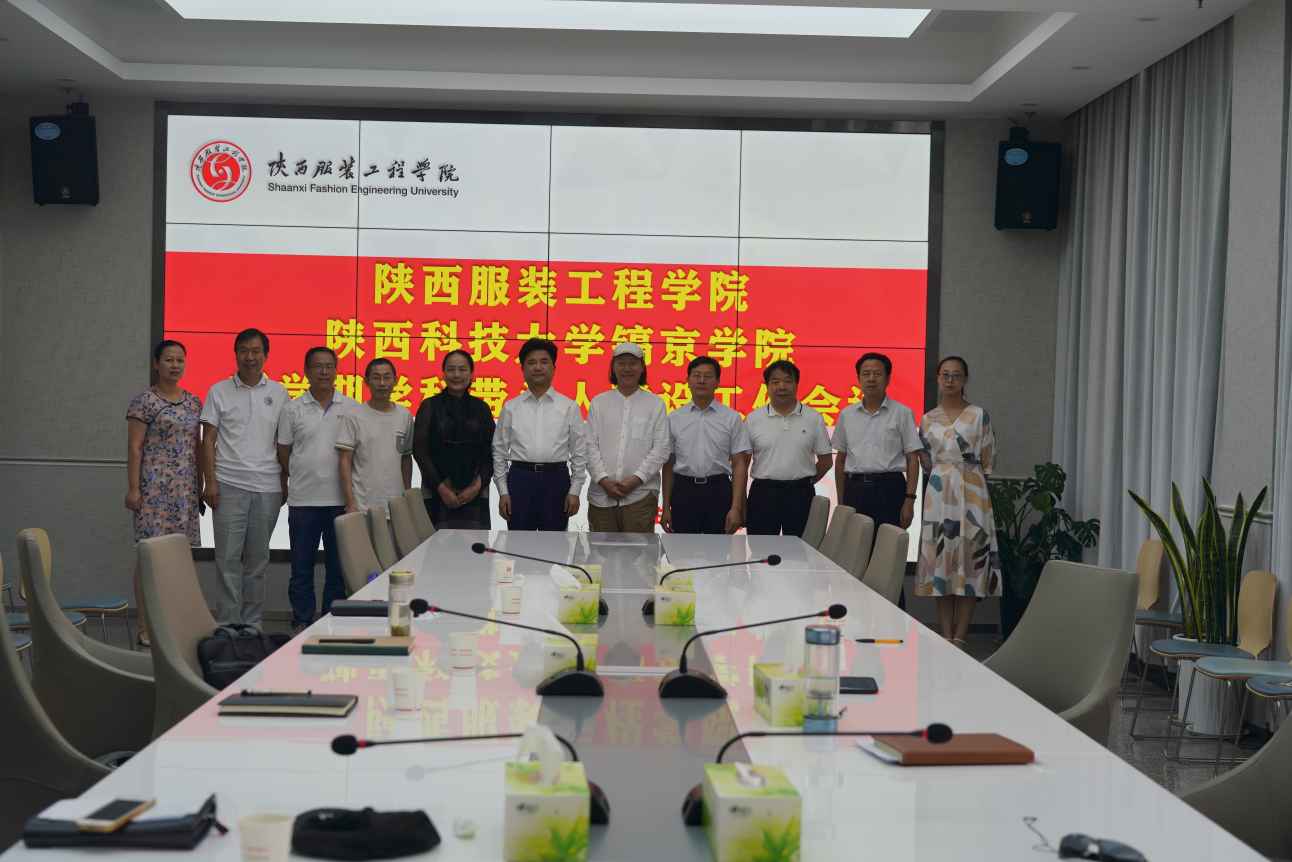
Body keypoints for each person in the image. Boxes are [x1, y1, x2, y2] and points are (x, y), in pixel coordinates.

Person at [200, 328, 288, 628]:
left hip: (268, 487)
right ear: (236, 354)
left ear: (266, 355)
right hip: (228, 485)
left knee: (257, 562)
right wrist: (209, 482)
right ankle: (228, 624)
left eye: (256, 351)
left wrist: (285, 482)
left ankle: (252, 625)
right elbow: (208, 440)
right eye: (244, 351)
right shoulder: (218, 391)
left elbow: (282, 443)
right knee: (227, 560)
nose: (250, 357)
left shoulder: (280, 393)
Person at [914, 356, 1002, 647]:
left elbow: (988, 458)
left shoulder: (979, 415)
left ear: (965, 379)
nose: (950, 380)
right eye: (945, 375)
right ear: (938, 379)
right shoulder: (928, 418)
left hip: (972, 489)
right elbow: (926, 461)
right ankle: (944, 634)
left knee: (970, 560)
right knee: (942, 561)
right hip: (939, 491)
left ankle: (961, 637)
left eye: (956, 375)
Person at [125, 339, 202, 646]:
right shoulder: (144, 401)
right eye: (168, 359)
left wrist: (200, 488)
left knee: (178, 560)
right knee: (149, 559)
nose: (175, 365)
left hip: (184, 492)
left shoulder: (194, 402)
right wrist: (133, 488)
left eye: (180, 360)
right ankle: (145, 626)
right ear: (156, 364)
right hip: (153, 491)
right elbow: (134, 447)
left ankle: (173, 627)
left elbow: (197, 448)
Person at [831, 352, 922, 605]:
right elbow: (841, 460)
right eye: (866, 374)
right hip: (856, 489)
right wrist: (842, 501)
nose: (871, 379)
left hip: (889, 489)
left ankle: (894, 614)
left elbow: (912, 459)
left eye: (877, 373)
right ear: (858, 378)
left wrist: (910, 499)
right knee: (855, 557)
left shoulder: (902, 413)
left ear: (888, 378)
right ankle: (856, 612)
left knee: (889, 557)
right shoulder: (847, 414)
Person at [276, 347, 358, 631]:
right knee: (301, 568)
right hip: (303, 501)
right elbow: (284, 451)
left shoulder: (351, 408)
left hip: (340, 501)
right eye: (317, 366)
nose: (324, 372)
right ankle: (302, 620)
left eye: (329, 366)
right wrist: (300, 473)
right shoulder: (292, 409)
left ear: (336, 371)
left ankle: (330, 622)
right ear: (306, 371)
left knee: (337, 569)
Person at [492, 338, 587, 531]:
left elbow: (579, 452)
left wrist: (575, 490)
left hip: (556, 480)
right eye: (531, 362)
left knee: (555, 544)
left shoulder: (569, 406)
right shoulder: (511, 407)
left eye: (544, 362)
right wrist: (503, 492)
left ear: (554, 368)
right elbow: (499, 452)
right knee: (519, 543)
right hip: (520, 480)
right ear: (523, 369)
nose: (538, 367)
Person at [585, 343, 670, 533]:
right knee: (600, 551)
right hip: (601, 497)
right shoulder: (599, 402)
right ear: (613, 368)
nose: (627, 369)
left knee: (638, 552)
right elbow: (589, 446)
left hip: (640, 496)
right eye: (621, 363)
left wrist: (635, 480)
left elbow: (661, 448)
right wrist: (603, 480)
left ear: (642, 368)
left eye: (633, 363)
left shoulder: (655, 404)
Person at [661, 356, 751, 534]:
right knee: (682, 549)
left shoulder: (731, 418)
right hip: (684, 491)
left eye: (708, 376)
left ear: (717, 382)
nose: (702, 380)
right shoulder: (674, 418)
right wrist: (665, 507)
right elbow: (668, 465)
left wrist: (736, 507)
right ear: (688, 381)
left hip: (718, 490)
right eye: (696, 375)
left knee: (718, 548)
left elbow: (739, 464)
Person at [744, 360, 832, 537]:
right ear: (767, 386)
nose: (781, 387)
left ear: (796, 384)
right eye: (775, 382)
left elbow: (826, 461)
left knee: (801, 548)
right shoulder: (753, 419)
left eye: (787, 381)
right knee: (761, 549)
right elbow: (742, 462)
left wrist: (806, 481)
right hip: (763, 493)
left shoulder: (813, 418)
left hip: (801, 494)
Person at [413, 350, 496, 530]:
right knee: (436, 545)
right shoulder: (429, 406)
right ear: (443, 374)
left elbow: (490, 452)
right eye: (451, 370)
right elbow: (420, 451)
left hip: (475, 493)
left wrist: (477, 486)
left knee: (474, 546)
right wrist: (441, 488)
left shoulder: (482, 408)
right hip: (436, 491)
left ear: (471, 374)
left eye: (462, 369)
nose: (456, 375)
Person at [337, 358, 414, 515]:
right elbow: (345, 460)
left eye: (387, 377)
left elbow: (406, 458)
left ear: (395, 381)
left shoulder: (404, 415)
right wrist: (350, 502)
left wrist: (407, 495)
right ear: (366, 381)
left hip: (396, 506)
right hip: (363, 506)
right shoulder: (353, 415)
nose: (382, 383)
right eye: (376, 377)